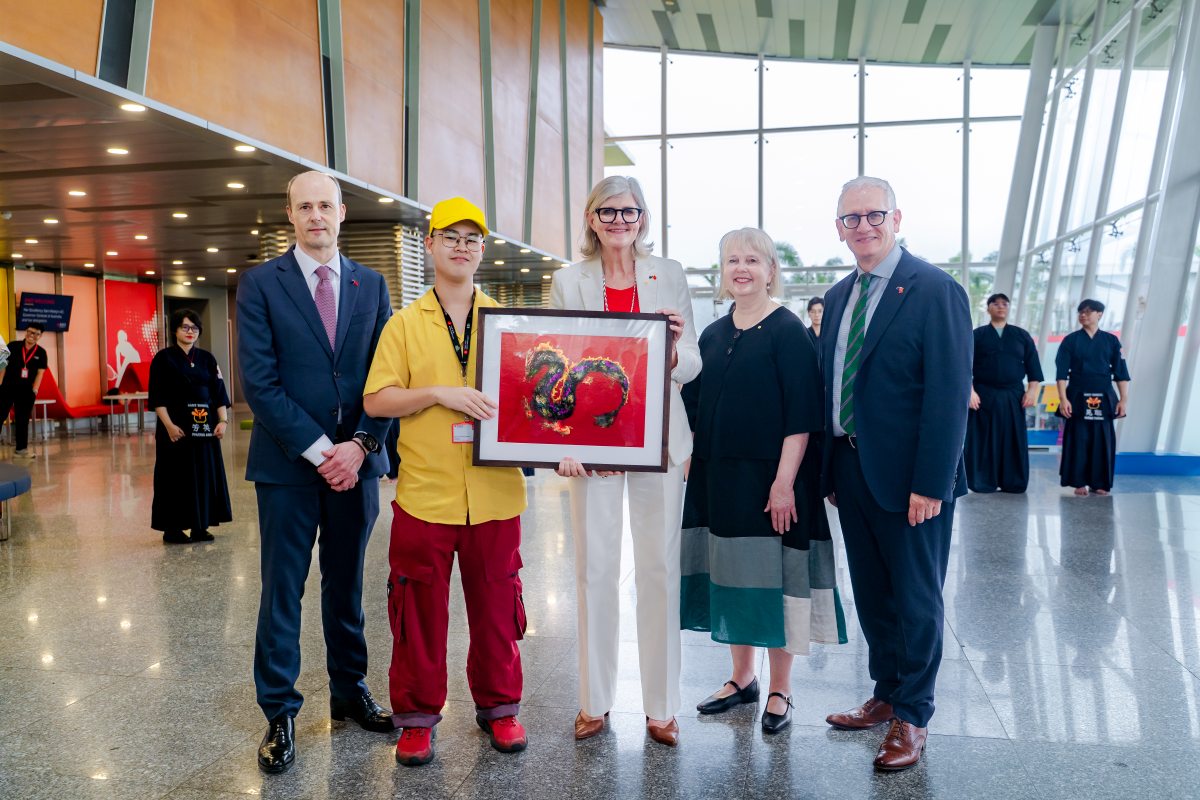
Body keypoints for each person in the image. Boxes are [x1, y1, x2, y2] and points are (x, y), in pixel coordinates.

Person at [237, 170, 394, 775]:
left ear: (342, 212)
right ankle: (279, 711)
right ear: (291, 215)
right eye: (304, 207)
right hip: (287, 468)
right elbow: (260, 382)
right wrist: (321, 449)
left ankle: (349, 691)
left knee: (346, 584)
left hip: (359, 464)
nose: (316, 216)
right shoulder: (260, 285)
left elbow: (385, 378)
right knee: (282, 591)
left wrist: (359, 445)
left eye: (325, 205)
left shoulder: (371, 283)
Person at [363, 197, 528, 767]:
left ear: (483, 250)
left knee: (497, 609)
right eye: (449, 236)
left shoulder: (511, 324)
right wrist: (438, 393)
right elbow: (377, 398)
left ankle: (500, 708)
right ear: (429, 245)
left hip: (496, 494)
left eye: (472, 238)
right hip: (425, 496)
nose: (461, 246)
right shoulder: (404, 325)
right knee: (417, 614)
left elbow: (532, 402)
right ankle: (415, 718)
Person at [819, 176, 972, 771]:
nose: (863, 226)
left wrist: (931, 483)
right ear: (838, 228)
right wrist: (830, 469)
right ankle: (885, 694)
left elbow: (948, 393)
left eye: (873, 215)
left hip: (911, 478)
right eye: (850, 219)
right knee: (874, 594)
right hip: (852, 469)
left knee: (914, 597)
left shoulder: (935, 290)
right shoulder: (837, 297)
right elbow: (831, 385)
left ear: (896, 217)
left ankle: (913, 717)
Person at [551, 175, 699, 748]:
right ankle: (595, 701)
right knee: (594, 570)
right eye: (608, 212)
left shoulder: (671, 275)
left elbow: (692, 360)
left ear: (644, 217)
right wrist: (567, 444)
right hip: (592, 446)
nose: (619, 221)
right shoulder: (569, 279)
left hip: (658, 440)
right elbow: (561, 358)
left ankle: (661, 707)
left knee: (660, 572)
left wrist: (671, 354)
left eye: (629, 211)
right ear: (591, 219)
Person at [681, 227, 845, 736]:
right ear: (722, 272)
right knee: (733, 578)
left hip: (774, 484)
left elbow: (801, 418)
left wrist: (783, 484)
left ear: (771, 269)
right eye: (732, 260)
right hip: (721, 482)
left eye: (753, 259)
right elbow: (694, 407)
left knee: (777, 584)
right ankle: (741, 678)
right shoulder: (711, 334)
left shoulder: (787, 331)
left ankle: (780, 689)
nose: (742, 268)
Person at [149, 309, 232, 544]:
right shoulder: (163, 359)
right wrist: (169, 426)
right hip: (175, 431)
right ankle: (173, 529)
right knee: (175, 478)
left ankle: (200, 526)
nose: (190, 332)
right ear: (175, 329)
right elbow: (158, 397)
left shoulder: (207, 358)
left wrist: (223, 421)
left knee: (204, 476)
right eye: (185, 327)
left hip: (204, 429)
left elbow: (219, 393)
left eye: (194, 328)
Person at [965, 293, 1043, 493]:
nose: (1000, 307)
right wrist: (970, 392)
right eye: (995, 304)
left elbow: (1034, 367)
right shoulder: (977, 335)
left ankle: (1013, 481)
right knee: (983, 438)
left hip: (1014, 394)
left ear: (1008, 308)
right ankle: (982, 481)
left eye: (1004, 304)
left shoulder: (1021, 335)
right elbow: (965, 366)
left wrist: (1032, 391)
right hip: (983, 394)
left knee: (1013, 437)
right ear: (988, 308)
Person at [1056, 298, 1130, 496]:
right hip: (1077, 393)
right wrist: (1063, 399)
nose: (1083, 315)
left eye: (1088, 311)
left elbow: (1121, 374)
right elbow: (1061, 374)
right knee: (1078, 437)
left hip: (1104, 393)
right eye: (1080, 311)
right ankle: (1078, 481)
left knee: (1102, 438)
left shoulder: (1111, 341)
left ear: (1099, 314)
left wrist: (1123, 400)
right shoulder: (1070, 340)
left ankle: (1100, 482)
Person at [0, 323, 49, 459]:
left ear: (40, 336)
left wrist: (35, 390)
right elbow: (2, 366)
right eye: (29, 332)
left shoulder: (41, 353)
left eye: (35, 333)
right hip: (7, 388)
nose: (31, 336)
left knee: (22, 420)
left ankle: (21, 450)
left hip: (26, 391)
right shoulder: (13, 346)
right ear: (26, 332)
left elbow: (40, 373)